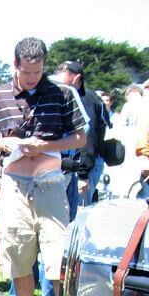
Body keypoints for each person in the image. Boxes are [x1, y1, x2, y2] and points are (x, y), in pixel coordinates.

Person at [0, 37, 87, 296]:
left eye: (38, 71)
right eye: (27, 72)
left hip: (50, 182)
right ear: (15, 65)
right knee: (18, 251)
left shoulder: (62, 93)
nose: (32, 77)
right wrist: (9, 143)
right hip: (15, 184)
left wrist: (47, 146)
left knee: (58, 253)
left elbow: (81, 138)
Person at [55, 61, 107, 208]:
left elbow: (86, 137)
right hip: (68, 167)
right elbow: (87, 139)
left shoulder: (82, 98)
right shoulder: (77, 96)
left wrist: (83, 173)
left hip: (75, 166)